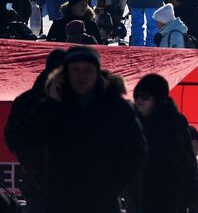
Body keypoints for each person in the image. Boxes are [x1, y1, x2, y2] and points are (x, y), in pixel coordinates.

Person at [27, 46, 148, 211]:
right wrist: (51, 102)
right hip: (61, 202)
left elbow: (136, 151)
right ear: (65, 73)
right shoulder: (55, 106)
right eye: (75, 69)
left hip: (102, 202)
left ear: (96, 72)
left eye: (87, 70)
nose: (81, 75)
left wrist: (112, 186)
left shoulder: (116, 107)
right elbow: (32, 140)